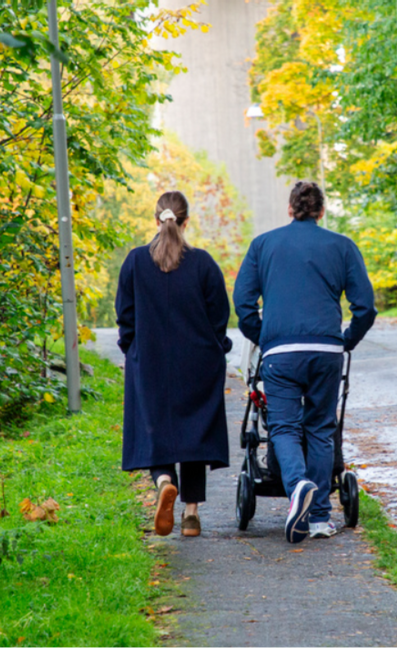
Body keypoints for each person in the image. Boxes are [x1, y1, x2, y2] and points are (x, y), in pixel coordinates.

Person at [232, 181, 377, 543]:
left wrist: (262, 335)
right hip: (326, 350)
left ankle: (297, 485)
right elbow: (366, 307)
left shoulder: (263, 245)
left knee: (283, 427)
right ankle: (318, 518)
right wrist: (347, 341)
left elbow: (243, 301)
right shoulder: (342, 247)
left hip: (280, 350)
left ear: (289, 208)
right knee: (320, 428)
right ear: (321, 211)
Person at [116, 190, 233, 537]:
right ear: (185, 222)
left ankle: (165, 480)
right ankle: (191, 514)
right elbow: (220, 318)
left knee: (156, 426)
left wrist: (133, 351)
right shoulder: (203, 263)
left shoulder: (135, 261)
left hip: (150, 362)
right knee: (193, 431)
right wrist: (217, 349)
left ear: (157, 220)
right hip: (197, 363)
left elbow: (125, 317)